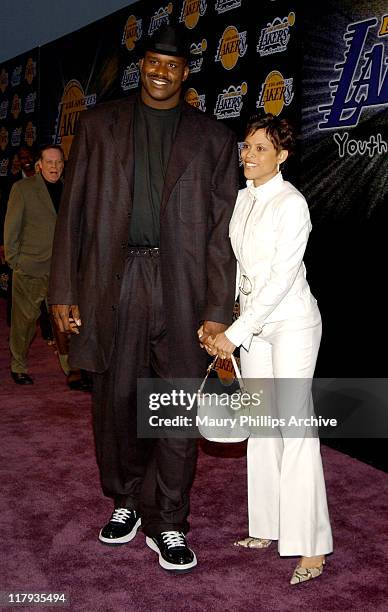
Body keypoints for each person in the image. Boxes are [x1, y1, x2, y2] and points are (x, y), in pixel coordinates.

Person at [49, 24, 238, 573]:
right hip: (115, 278)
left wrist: (216, 308)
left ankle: (171, 521)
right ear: (143, 66)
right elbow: (74, 213)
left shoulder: (212, 138)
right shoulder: (99, 125)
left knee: (176, 404)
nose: (161, 72)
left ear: (185, 72)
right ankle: (127, 501)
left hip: (182, 285)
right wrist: (63, 289)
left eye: (172, 65)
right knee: (116, 399)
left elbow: (221, 233)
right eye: (153, 62)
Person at [202, 114, 333, 585]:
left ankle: (312, 546)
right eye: (247, 147)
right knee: (261, 426)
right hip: (253, 327)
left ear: (282, 155)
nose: (249, 156)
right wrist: (225, 320)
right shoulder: (241, 199)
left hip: (293, 323)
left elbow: (279, 280)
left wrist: (234, 333)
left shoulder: (292, 203)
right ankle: (267, 526)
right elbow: (238, 269)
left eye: (261, 149)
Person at [4, 144, 64, 384]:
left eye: (58, 162)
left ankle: (72, 370)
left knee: (65, 324)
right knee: (25, 323)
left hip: (62, 270)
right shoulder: (23, 189)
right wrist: (15, 261)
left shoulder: (69, 189)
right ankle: (18, 365)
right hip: (30, 268)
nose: (54, 167)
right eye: (49, 162)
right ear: (39, 165)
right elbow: (11, 229)